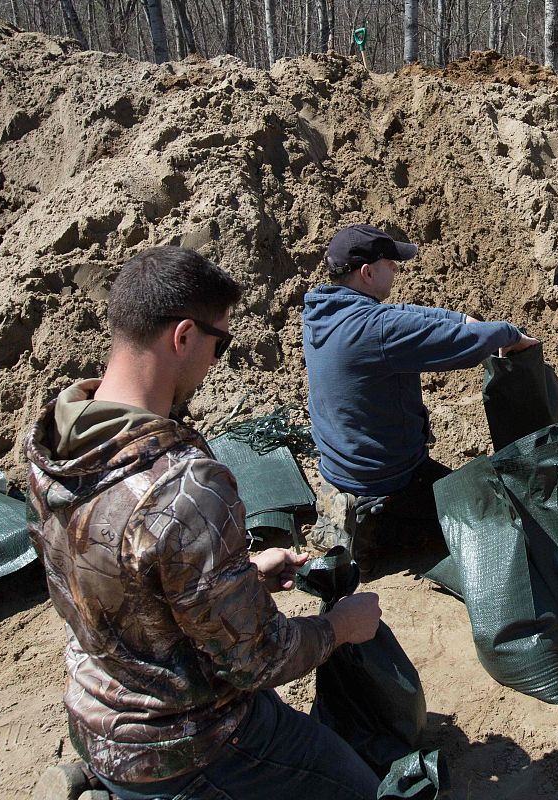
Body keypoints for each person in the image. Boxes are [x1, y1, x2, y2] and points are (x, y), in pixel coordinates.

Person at [24, 246, 385, 800]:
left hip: (96, 707)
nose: (217, 360)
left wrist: (237, 578)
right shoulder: (184, 487)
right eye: (220, 342)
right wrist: (341, 627)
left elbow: (119, 581)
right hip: (184, 742)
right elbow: (256, 659)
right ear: (184, 336)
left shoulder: (53, 443)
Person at [304, 223, 538, 569]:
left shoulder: (322, 314)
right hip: (388, 480)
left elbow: (403, 316)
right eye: (391, 264)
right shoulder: (375, 329)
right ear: (367, 273)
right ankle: (379, 527)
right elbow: (457, 347)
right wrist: (507, 334)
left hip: (342, 467)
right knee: (497, 513)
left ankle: (365, 512)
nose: (397, 269)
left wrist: (459, 318)